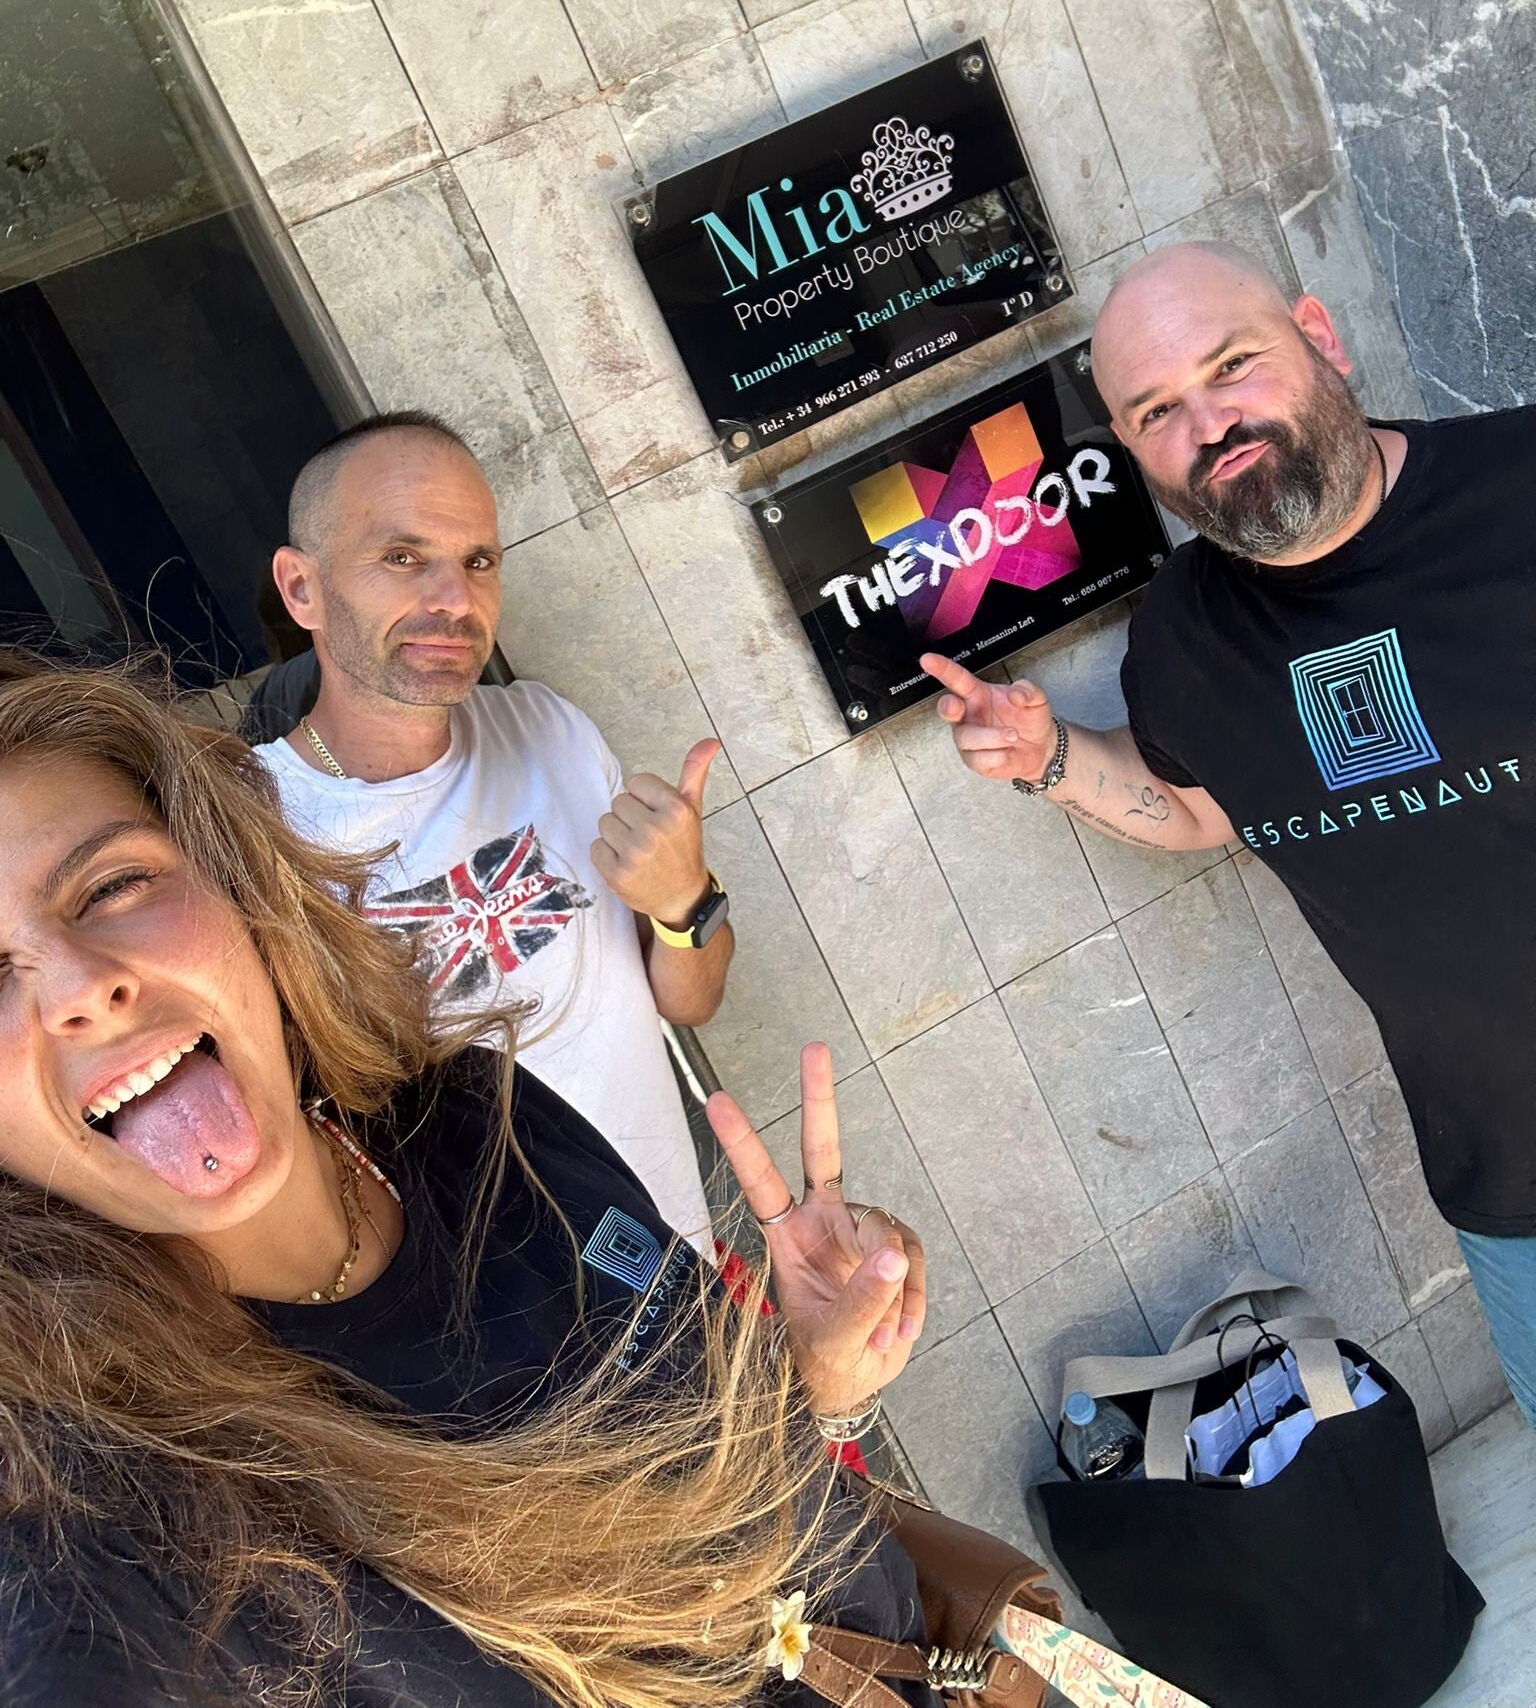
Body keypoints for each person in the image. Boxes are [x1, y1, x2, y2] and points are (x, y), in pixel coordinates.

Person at [0, 655, 935, 1708]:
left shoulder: (469, 1112)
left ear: (238, 886)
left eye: (112, 886)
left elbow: (733, 1460)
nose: (81, 987)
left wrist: (818, 1382)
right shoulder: (109, 1512)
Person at [923, 240, 1536, 1420]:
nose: (1212, 423)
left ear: (1320, 335)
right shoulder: (1183, 641)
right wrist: (1051, 758)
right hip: (1507, 1179)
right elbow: (1205, 806)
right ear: (1132, 447)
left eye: (1233, 364)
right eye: (1159, 410)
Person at [252, 411, 735, 1247]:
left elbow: (690, 1001)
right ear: (302, 589)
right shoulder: (250, 833)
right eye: (403, 558)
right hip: (503, 1311)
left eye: (479, 561)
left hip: (680, 1258)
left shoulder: (549, 728)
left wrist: (682, 902)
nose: (455, 600)